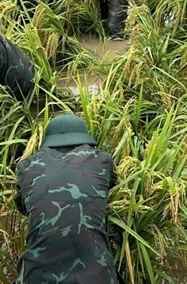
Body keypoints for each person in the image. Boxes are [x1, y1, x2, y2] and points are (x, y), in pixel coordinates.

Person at [14, 114, 119, 284]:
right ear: (84, 137)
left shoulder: (26, 167)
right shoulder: (102, 160)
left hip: (35, 277)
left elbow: (23, 207)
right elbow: (112, 186)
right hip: (97, 277)